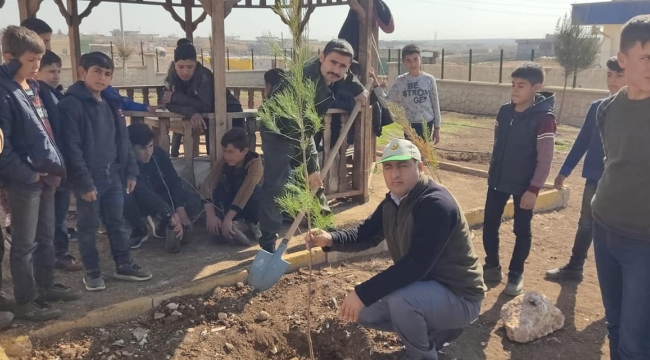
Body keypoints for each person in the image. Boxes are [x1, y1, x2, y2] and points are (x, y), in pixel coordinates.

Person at [307, 139, 485, 360]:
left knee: (403, 301)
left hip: (460, 297)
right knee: (364, 312)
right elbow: (366, 234)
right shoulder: (395, 200)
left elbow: (415, 266)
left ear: (419, 168)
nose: (395, 174)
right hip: (426, 288)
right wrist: (330, 239)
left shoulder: (436, 205)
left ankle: (422, 355)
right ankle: (434, 330)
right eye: (389, 167)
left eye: (403, 166)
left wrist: (362, 293)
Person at [258, 39, 368, 253]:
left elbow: (347, 78)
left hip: (303, 131)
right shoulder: (303, 82)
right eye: (332, 62)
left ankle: (327, 231)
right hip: (278, 133)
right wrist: (309, 166)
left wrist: (359, 89)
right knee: (276, 187)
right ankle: (268, 243)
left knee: (315, 182)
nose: (336, 70)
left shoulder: (333, 74)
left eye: (342, 66)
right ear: (321, 57)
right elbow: (294, 131)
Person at [0, 26, 79, 321]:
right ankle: (25, 301)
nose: (37, 66)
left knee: (45, 237)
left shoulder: (32, 88)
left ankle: (46, 287)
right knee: (23, 244)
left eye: (39, 59)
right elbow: (2, 147)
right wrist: (27, 174)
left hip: (46, 174)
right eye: (32, 60)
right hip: (25, 180)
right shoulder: (4, 93)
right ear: (9, 57)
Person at [58, 52, 152, 291]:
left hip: (114, 175)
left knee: (117, 222)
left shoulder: (111, 103)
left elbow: (123, 141)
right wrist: (84, 182)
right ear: (82, 72)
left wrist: (131, 172)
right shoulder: (71, 104)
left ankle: (123, 264)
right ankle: (92, 272)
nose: (101, 78)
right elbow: (72, 147)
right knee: (88, 226)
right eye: (96, 72)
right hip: (90, 178)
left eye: (107, 74)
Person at [591, 15, 650, 360]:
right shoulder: (607, 109)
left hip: (644, 243)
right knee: (614, 325)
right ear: (623, 59)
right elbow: (614, 160)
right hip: (605, 228)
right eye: (646, 57)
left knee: (636, 340)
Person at [545, 57, 626, 282]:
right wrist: (565, 170)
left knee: (617, 229)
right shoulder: (597, 107)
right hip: (595, 178)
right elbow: (582, 141)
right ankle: (575, 267)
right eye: (610, 75)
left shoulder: (638, 111)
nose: (613, 80)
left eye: (619, 75)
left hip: (622, 183)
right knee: (585, 223)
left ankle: (620, 277)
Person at [482, 62, 556, 296]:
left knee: (521, 230)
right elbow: (497, 145)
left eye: (521, 86)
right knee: (490, 225)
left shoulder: (544, 119)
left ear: (536, 87)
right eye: (513, 85)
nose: (514, 90)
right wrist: (493, 172)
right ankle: (492, 266)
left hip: (525, 185)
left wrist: (533, 189)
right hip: (497, 181)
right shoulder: (504, 112)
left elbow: (545, 159)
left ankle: (516, 274)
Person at [34, 50, 83, 272]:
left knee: (60, 213)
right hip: (51, 162)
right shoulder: (38, 95)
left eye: (58, 71)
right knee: (53, 215)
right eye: (50, 71)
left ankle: (58, 253)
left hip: (63, 161)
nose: (55, 75)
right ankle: (58, 255)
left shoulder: (56, 94)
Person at [164, 43, 243, 157]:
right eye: (180, 67)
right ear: (174, 64)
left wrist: (176, 97)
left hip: (229, 112)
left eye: (190, 67)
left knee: (232, 152)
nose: (185, 71)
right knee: (212, 154)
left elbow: (206, 105)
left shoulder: (204, 76)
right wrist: (191, 112)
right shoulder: (173, 76)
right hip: (206, 116)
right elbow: (168, 103)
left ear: (196, 63)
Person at [124, 123, 190, 250]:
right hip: (139, 200)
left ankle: (162, 222)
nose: (148, 152)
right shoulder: (124, 161)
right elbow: (142, 191)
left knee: (191, 200)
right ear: (131, 148)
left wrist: (180, 208)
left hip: (160, 196)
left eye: (150, 146)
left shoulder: (159, 154)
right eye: (143, 148)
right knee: (124, 195)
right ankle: (139, 229)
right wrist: (169, 213)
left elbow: (174, 180)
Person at [201, 128, 263, 246]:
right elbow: (208, 184)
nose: (226, 155)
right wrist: (210, 214)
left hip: (250, 204)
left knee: (256, 190)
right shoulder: (224, 161)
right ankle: (235, 226)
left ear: (244, 151)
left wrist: (228, 218)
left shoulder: (255, 164)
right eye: (224, 151)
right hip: (234, 206)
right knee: (219, 188)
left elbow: (245, 193)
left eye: (231, 152)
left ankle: (254, 223)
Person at [369, 44, 441, 144]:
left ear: (421, 60)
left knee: (425, 154)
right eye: (408, 60)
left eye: (415, 59)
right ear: (403, 63)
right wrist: (375, 83)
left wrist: (437, 128)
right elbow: (387, 103)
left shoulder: (429, 79)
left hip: (427, 124)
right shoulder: (400, 81)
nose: (413, 64)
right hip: (409, 125)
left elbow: (435, 103)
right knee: (412, 154)